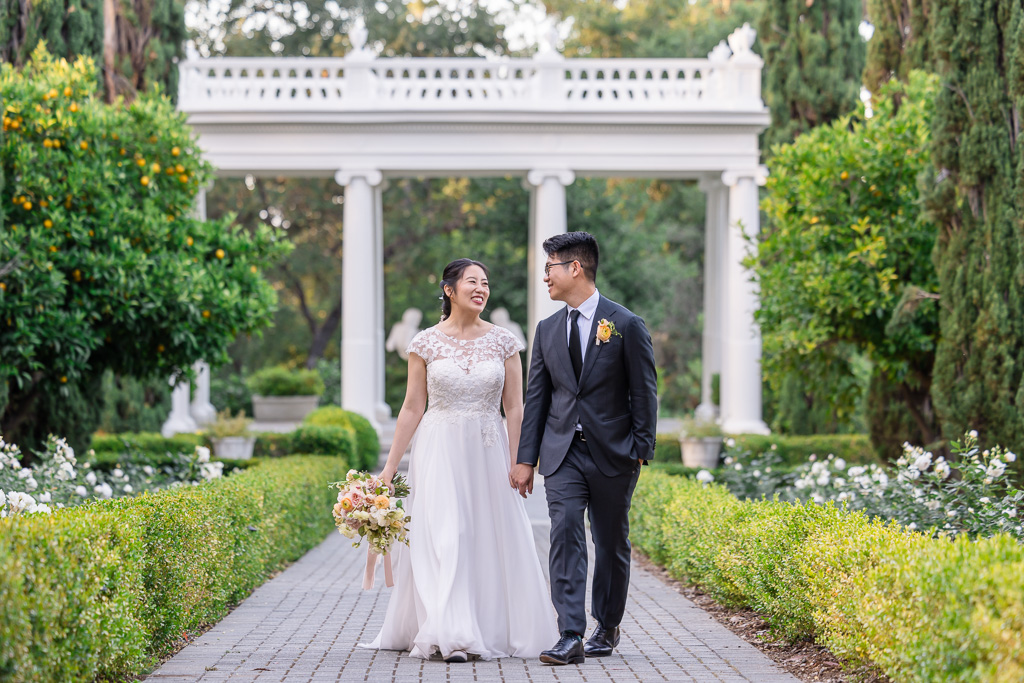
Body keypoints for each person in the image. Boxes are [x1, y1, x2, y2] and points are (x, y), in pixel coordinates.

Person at [363, 258, 558, 663]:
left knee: (482, 537)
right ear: (449, 290)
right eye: (472, 281)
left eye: (485, 283)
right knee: (447, 536)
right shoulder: (425, 342)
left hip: (488, 452)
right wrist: (387, 468)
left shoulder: (504, 341)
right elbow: (412, 408)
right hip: (439, 451)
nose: (481, 289)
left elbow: (516, 408)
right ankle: (450, 632)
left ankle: (482, 626)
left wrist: (523, 460)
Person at [512, 231, 658, 665]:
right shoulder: (547, 330)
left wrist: (641, 448)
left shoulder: (626, 324)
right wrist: (525, 458)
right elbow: (537, 398)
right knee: (565, 533)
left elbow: (644, 391)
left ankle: (606, 625)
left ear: (575, 268)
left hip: (614, 453)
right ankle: (570, 633)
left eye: (550, 268)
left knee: (611, 541)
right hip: (561, 454)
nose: (545, 279)